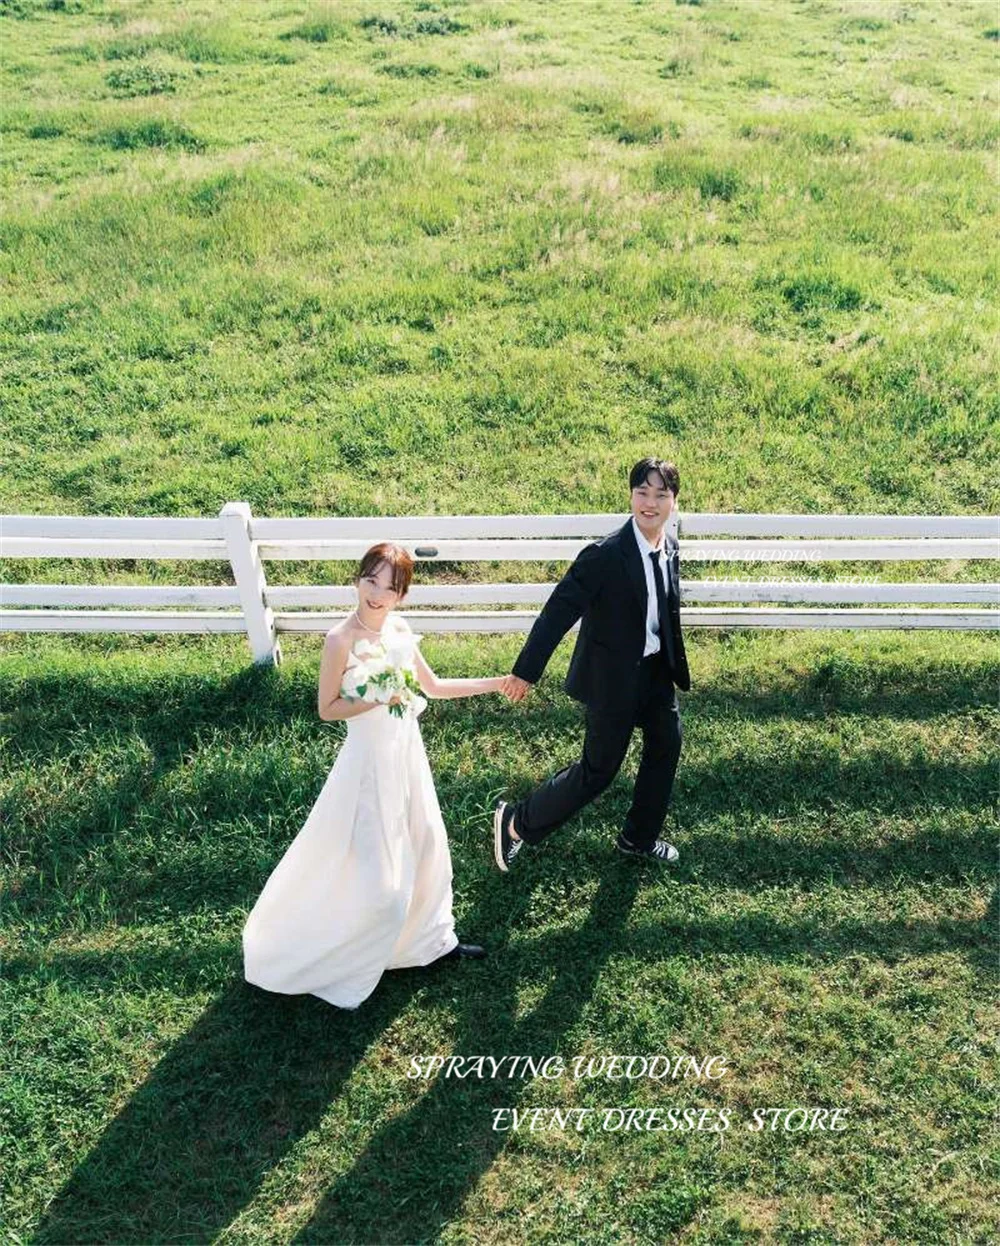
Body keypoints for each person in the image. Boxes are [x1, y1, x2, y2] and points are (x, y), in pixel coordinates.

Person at [243, 542, 506, 1010]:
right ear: (357, 580)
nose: (378, 594)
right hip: (367, 765)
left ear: (402, 595)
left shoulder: (401, 629)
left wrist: (495, 682)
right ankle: (350, 950)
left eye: (391, 587)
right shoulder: (339, 640)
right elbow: (327, 709)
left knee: (426, 845)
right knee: (376, 875)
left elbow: (435, 687)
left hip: (406, 756)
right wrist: (378, 696)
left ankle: (430, 945)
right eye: (372, 580)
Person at [493, 457, 690, 871]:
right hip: (612, 678)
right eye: (642, 493)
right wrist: (525, 671)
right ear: (631, 496)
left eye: (661, 495)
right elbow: (557, 612)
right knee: (599, 770)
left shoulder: (670, 547)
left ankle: (638, 839)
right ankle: (517, 823)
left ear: (674, 501)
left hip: (654, 672)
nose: (650, 504)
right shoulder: (604, 556)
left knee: (666, 745)